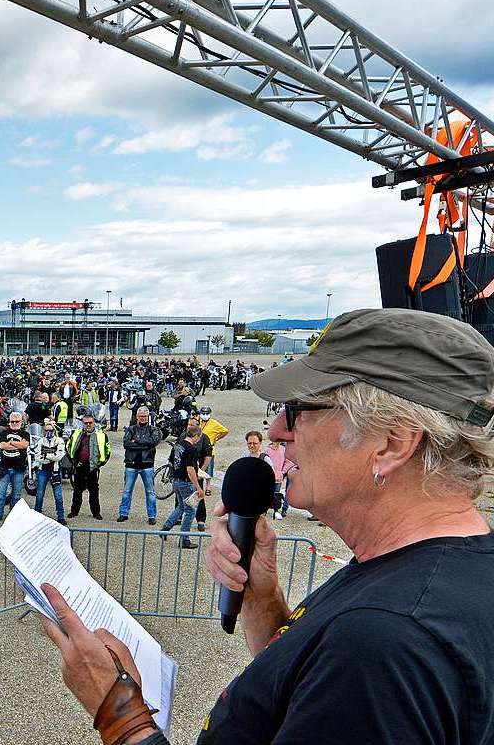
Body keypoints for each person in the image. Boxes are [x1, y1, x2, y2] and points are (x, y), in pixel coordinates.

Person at [45, 308, 494, 744]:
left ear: (391, 443)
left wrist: (119, 713)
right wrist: (262, 598)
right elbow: (309, 688)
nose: (277, 430)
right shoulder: (437, 573)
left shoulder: (383, 642)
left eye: (298, 410)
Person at [116, 406, 162, 525]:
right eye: (141, 416)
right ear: (137, 416)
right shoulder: (131, 429)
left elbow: (153, 442)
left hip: (147, 465)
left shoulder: (153, 430)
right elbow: (126, 444)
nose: (143, 418)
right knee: (127, 491)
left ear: (148, 417)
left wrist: (136, 441)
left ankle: (152, 516)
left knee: (150, 492)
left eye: (145, 416)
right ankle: (123, 513)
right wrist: (145, 445)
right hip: (131, 464)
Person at [159, 425, 203, 548]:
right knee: (190, 511)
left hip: (176, 480)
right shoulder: (191, 449)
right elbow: (190, 469)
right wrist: (198, 487)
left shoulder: (178, 445)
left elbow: (171, 462)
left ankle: (165, 528)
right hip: (185, 482)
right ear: (196, 436)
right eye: (199, 437)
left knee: (181, 507)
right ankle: (184, 540)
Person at [66, 413, 111, 520]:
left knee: (94, 491)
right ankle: (74, 511)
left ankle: (96, 512)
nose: (88, 425)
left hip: (93, 467)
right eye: (86, 423)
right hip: (79, 466)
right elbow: (68, 447)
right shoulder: (76, 433)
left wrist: (100, 463)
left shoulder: (101, 435)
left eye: (90, 422)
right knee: (77, 491)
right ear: (82, 423)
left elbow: (107, 450)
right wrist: (74, 462)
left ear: (94, 422)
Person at [0, 412, 30, 522]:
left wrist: (10, 443)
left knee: (16, 494)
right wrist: (17, 444)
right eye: (12, 421)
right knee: (1, 493)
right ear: (9, 422)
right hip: (4, 468)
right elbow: (2, 446)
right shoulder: (4, 432)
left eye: (17, 421)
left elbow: (25, 445)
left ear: (21, 422)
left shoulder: (25, 434)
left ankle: (14, 515)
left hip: (19, 469)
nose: (15, 423)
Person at [32, 418, 66, 525]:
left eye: (50, 430)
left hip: (55, 470)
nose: (48, 432)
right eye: (46, 430)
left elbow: (59, 456)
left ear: (54, 430)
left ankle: (61, 516)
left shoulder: (59, 441)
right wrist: (51, 455)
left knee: (58, 495)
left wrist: (45, 454)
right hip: (43, 470)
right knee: (39, 493)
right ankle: (37, 514)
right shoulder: (40, 441)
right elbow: (37, 457)